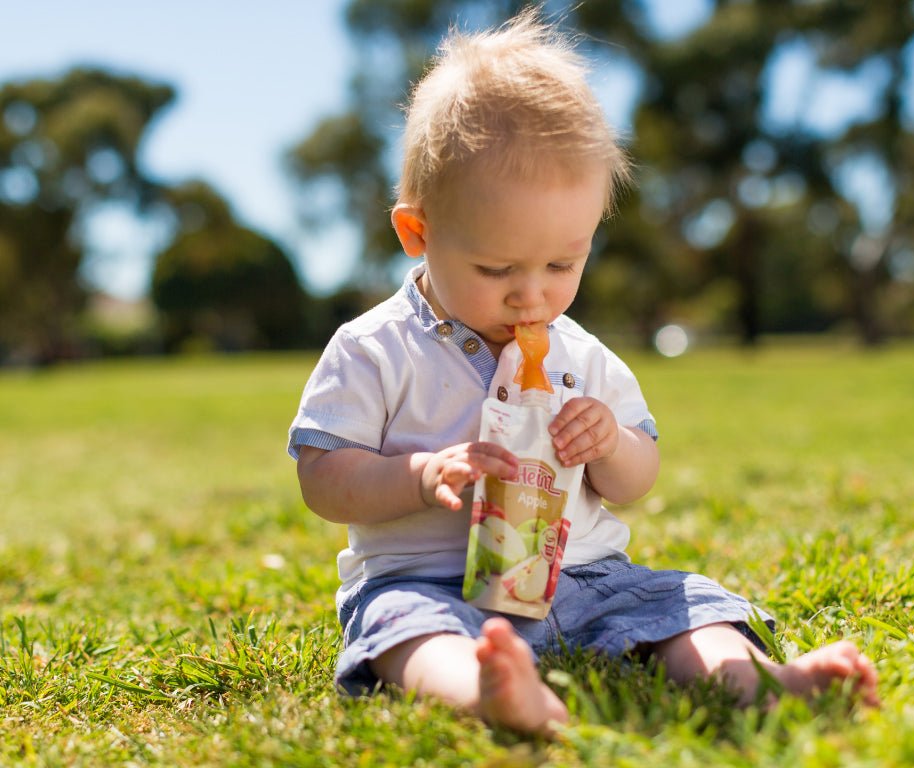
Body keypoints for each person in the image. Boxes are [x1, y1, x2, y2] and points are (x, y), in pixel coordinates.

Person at [288, 8, 879, 735]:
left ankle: (755, 680)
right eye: (496, 268)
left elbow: (637, 480)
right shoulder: (374, 347)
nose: (531, 293)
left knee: (678, 604)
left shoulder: (583, 357)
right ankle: (488, 687)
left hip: (585, 578)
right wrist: (415, 476)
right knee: (405, 634)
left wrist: (611, 446)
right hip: (428, 582)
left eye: (562, 264)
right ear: (418, 232)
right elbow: (322, 477)